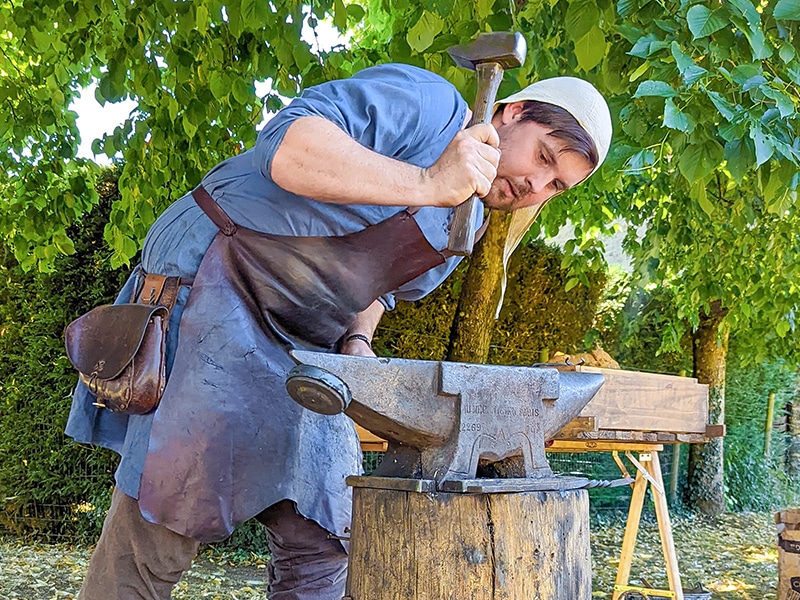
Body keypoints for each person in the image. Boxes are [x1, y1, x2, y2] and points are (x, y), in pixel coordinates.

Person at [65, 62, 612, 599]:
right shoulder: (433, 107)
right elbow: (286, 148)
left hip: (308, 342)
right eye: (542, 156)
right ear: (511, 112)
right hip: (219, 282)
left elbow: (376, 289)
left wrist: (358, 343)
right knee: (167, 521)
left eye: (557, 185)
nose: (535, 184)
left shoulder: (463, 221)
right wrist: (428, 180)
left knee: (328, 536)